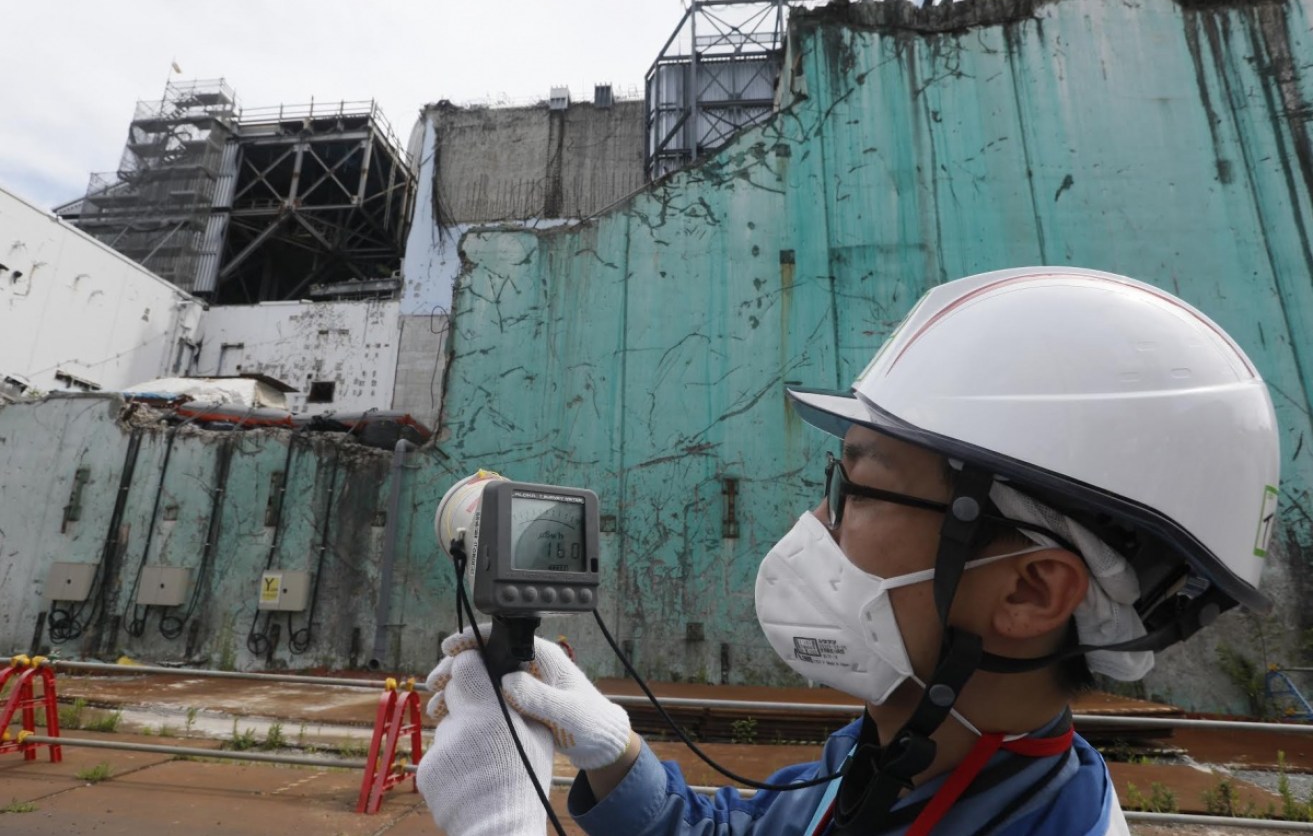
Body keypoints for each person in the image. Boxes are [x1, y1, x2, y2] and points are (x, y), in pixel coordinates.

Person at [417, 266, 1280, 835]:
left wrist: (502, 822)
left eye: (857, 489)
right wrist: (613, 751)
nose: (816, 522)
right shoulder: (892, 759)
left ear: (1026, 591)